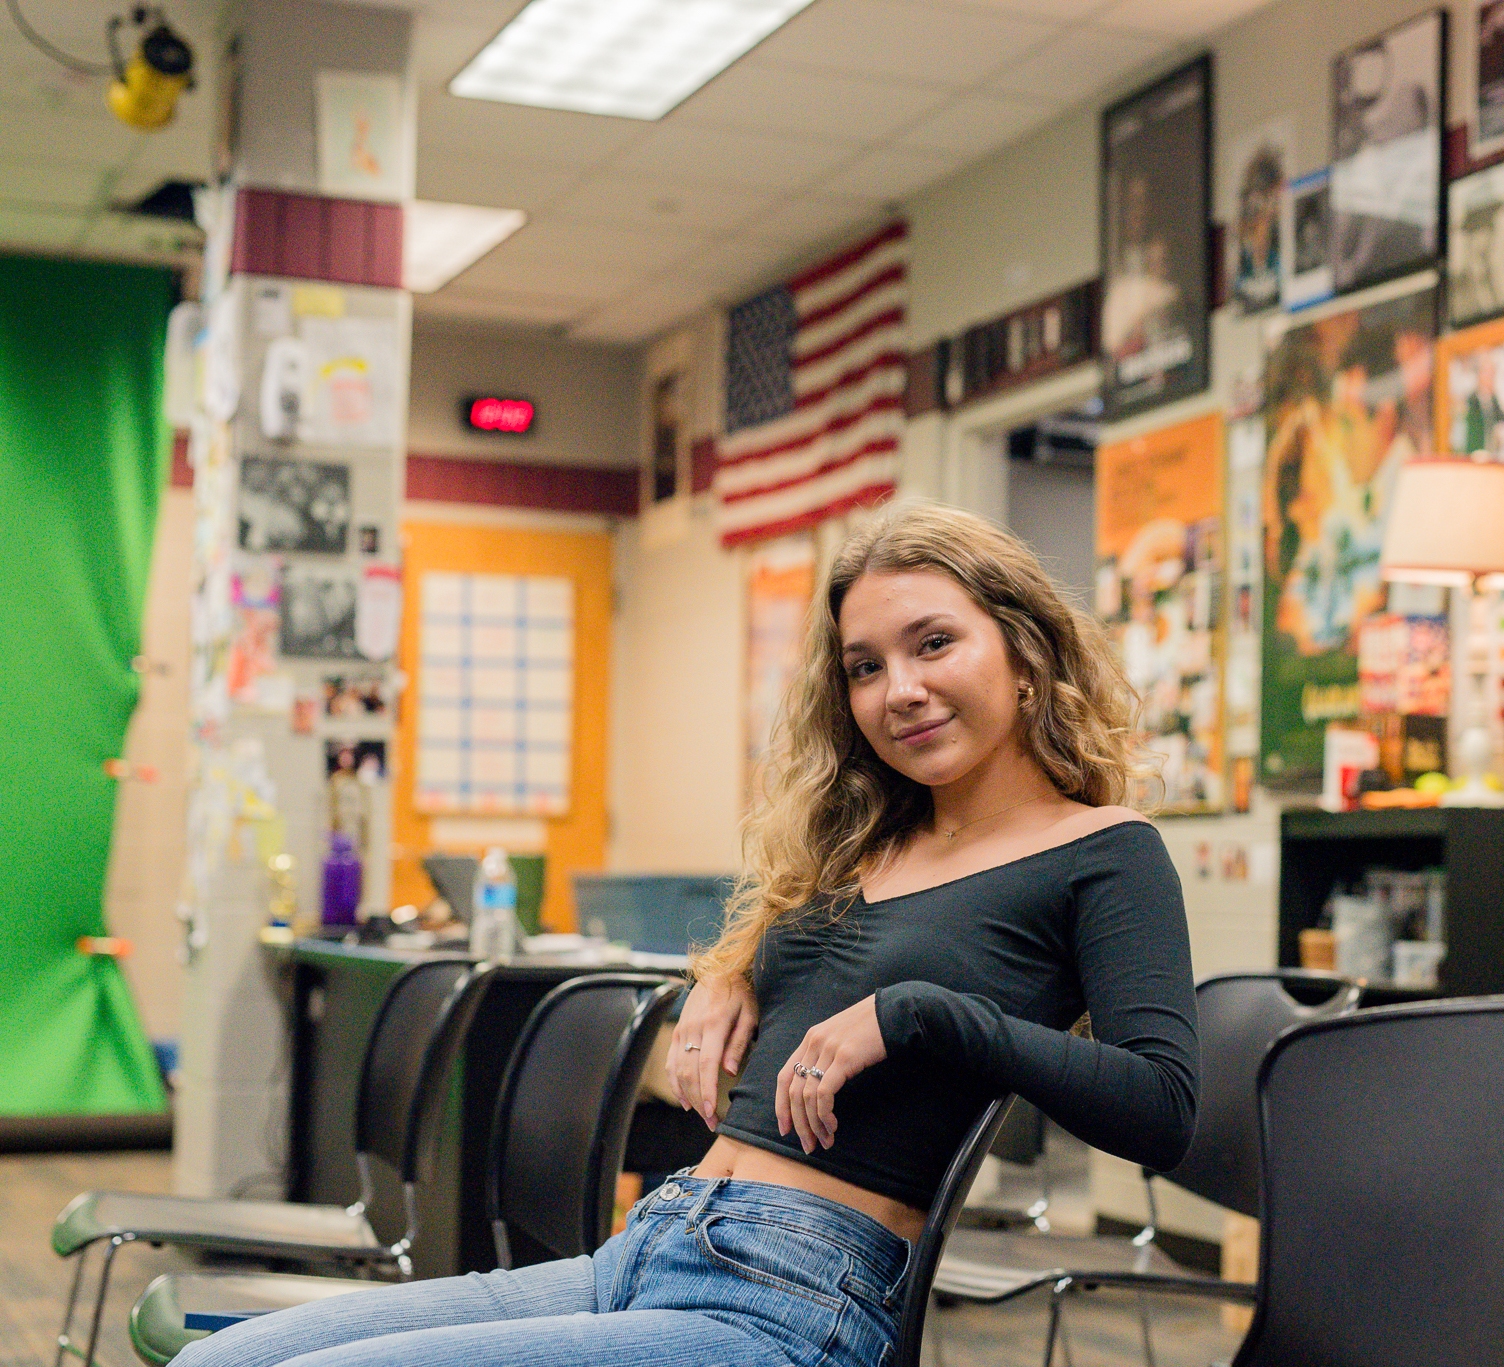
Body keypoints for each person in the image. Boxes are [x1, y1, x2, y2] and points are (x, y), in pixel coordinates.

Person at [173, 503, 1198, 1367]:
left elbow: (1161, 1107)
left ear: (1023, 651)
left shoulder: (1102, 851)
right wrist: (728, 971)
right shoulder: (869, 839)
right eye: (863, 666)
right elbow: (823, 968)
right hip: (650, 1242)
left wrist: (919, 1014)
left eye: (934, 643)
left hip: (793, 1297)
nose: (898, 689)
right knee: (220, 1359)